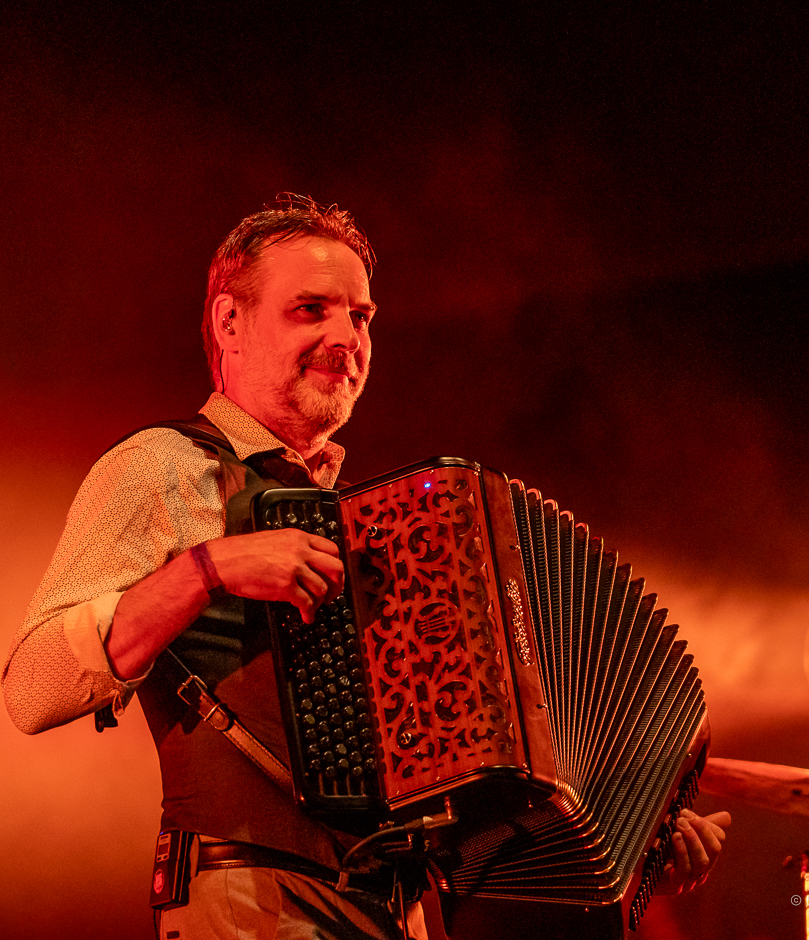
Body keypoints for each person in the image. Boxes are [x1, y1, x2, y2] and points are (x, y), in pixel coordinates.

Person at [2, 196, 728, 939]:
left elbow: (481, 751)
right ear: (229, 323)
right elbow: (29, 690)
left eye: (361, 316)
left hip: (398, 910)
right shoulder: (161, 468)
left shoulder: (379, 524)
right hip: (253, 900)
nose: (345, 336)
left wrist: (628, 834)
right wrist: (206, 569)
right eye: (310, 309)